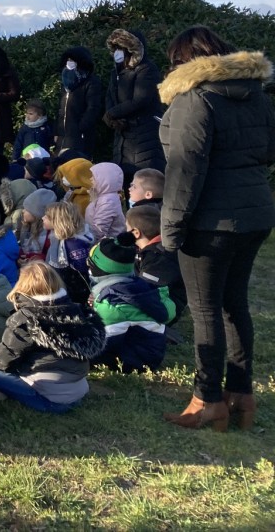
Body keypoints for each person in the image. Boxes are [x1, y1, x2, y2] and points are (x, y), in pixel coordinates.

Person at [157, 26, 275, 432]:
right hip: (256, 213)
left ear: (184, 63)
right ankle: (241, 394)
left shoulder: (195, 100)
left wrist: (171, 230)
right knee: (235, 304)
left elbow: (184, 174)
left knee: (206, 310)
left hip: (209, 222)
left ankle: (206, 399)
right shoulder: (257, 95)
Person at [0, 262, 106, 414]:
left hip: (53, 402)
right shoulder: (79, 310)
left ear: (24, 286)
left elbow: (3, 358)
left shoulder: (27, 318)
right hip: (79, 389)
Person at [87, 234, 175, 374]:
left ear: (99, 271)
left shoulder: (111, 304)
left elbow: (105, 343)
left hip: (132, 362)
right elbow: (169, 312)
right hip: (152, 355)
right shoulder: (144, 289)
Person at [103, 29, 165, 177]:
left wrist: (113, 113)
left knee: (144, 180)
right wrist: (111, 117)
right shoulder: (116, 73)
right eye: (116, 48)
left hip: (144, 134)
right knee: (125, 180)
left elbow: (141, 99)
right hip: (123, 135)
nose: (118, 52)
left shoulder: (147, 69)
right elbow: (109, 97)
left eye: (121, 48)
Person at [127, 204, 186, 321]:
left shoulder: (158, 256)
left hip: (164, 308)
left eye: (126, 228)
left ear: (136, 233)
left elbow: (145, 290)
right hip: (156, 302)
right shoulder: (146, 251)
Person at [43, 200, 94, 305]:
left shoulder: (74, 245)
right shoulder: (57, 239)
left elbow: (83, 274)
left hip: (76, 295)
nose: (42, 218)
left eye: (47, 217)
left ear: (58, 221)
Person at [54, 46, 103, 156]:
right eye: (68, 60)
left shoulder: (91, 82)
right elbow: (61, 109)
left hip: (80, 137)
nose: (69, 63)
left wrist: (80, 128)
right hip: (63, 137)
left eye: (72, 60)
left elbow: (93, 108)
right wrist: (57, 131)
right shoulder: (65, 84)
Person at [85, 162, 127, 241]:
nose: (90, 179)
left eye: (94, 177)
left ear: (104, 180)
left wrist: (86, 239)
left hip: (107, 246)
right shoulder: (104, 197)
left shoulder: (108, 201)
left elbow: (99, 229)